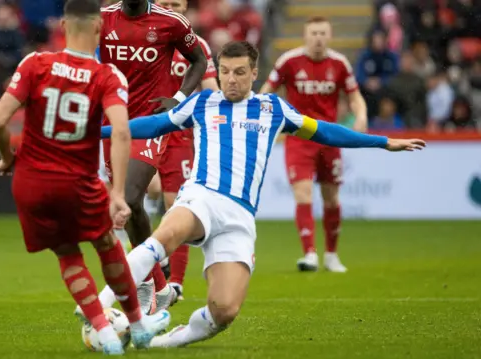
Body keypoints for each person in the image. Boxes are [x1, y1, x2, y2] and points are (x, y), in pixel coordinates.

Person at [99, 40, 425, 348]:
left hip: (240, 215)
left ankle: (158, 341)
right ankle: (98, 309)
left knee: (224, 310)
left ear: (255, 74)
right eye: (225, 71)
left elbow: (325, 130)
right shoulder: (201, 103)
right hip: (201, 195)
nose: (231, 79)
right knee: (165, 237)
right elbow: (151, 125)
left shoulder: (273, 109)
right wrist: (97, 133)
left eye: (240, 72)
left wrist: (382, 142)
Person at [0, 0, 170, 354]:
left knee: (66, 253)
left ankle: (102, 330)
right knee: (106, 244)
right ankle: (137, 323)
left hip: (31, 183)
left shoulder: (34, 63)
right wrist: (117, 192)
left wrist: (7, 157)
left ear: (64, 27)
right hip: (77, 181)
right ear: (99, 28)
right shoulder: (107, 76)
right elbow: (120, 131)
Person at [98, 0, 208, 313]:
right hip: (112, 123)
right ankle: (159, 284)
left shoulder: (170, 22)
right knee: (124, 210)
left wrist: (178, 98)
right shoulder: (103, 19)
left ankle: (147, 280)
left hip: (150, 123)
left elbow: (198, 60)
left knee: (131, 197)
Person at [259, 16, 368, 272]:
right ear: (305, 36)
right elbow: (267, 92)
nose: (318, 38)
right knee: (303, 192)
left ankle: (332, 255)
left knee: (331, 197)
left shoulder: (339, 63)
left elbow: (355, 96)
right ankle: (309, 254)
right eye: (314, 33)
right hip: (298, 137)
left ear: (329, 36)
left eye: (322, 33)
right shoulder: (289, 61)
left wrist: (361, 115)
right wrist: (263, 119)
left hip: (329, 137)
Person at [153, 0, 220, 301]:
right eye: (165, 3)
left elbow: (211, 90)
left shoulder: (198, 46)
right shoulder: (146, 36)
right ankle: (156, 258)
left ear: (186, 8)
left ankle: (175, 283)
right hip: (145, 127)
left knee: (174, 203)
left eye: (176, 4)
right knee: (147, 192)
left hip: (180, 135)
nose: (172, 8)